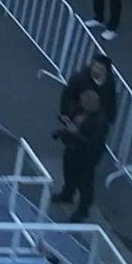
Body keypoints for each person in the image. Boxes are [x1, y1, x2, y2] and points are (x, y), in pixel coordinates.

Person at [53, 87, 113, 218]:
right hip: (73, 148)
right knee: (69, 172)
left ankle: (83, 209)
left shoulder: (100, 121)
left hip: (87, 155)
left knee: (85, 183)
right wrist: (64, 121)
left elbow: (93, 142)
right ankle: (67, 194)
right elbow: (71, 121)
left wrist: (75, 133)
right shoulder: (81, 110)